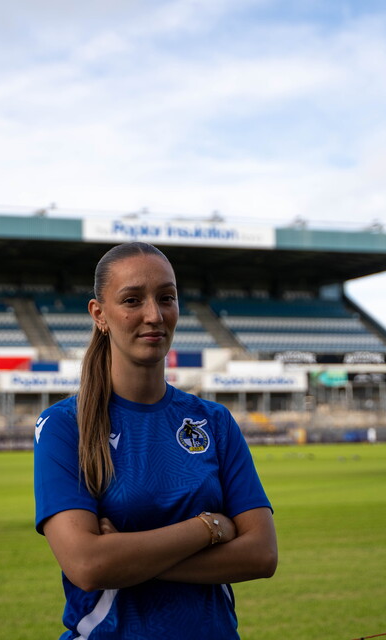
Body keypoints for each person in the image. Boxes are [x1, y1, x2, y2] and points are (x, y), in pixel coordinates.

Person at [33, 241, 277, 639]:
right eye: (132, 300)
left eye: (167, 298)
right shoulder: (64, 425)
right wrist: (209, 528)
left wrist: (128, 556)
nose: (154, 315)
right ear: (100, 314)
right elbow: (88, 566)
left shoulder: (213, 421)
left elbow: (262, 554)